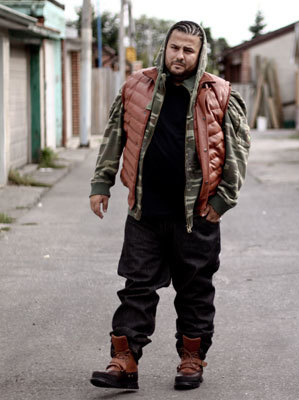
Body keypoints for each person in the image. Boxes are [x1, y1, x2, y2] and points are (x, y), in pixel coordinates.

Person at [89, 20, 250, 391]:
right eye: (174, 47)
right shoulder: (136, 86)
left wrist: (223, 200)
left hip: (198, 215)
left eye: (188, 50)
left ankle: (191, 359)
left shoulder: (219, 93)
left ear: (200, 54)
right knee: (136, 289)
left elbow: (237, 151)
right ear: (165, 47)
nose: (180, 56)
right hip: (145, 212)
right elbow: (115, 135)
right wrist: (102, 183)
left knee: (195, 291)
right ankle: (124, 362)